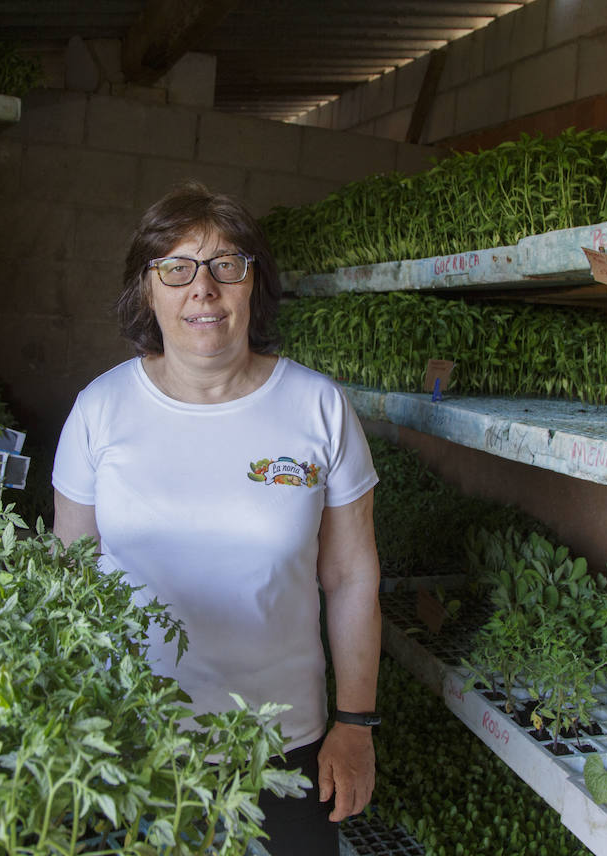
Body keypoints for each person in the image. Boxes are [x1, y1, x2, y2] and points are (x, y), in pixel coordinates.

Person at [50, 181, 381, 855]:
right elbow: (68, 574)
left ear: (253, 285)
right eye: (176, 268)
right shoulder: (100, 409)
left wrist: (354, 723)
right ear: (149, 290)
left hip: (279, 745)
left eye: (226, 265)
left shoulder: (319, 408)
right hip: (126, 739)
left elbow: (350, 576)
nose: (203, 289)